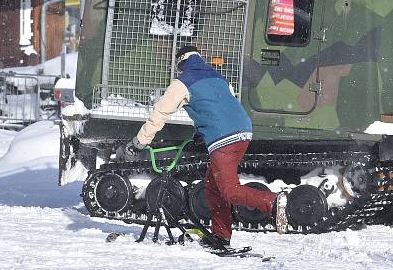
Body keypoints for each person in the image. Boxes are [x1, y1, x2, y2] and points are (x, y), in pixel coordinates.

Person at [116, 45, 288, 245]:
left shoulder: (183, 82)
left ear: (181, 62)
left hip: (224, 138)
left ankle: (272, 202)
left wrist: (139, 143)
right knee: (213, 187)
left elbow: (160, 113)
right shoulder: (219, 77)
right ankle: (221, 236)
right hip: (244, 131)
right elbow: (219, 106)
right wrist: (200, 133)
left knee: (229, 190)